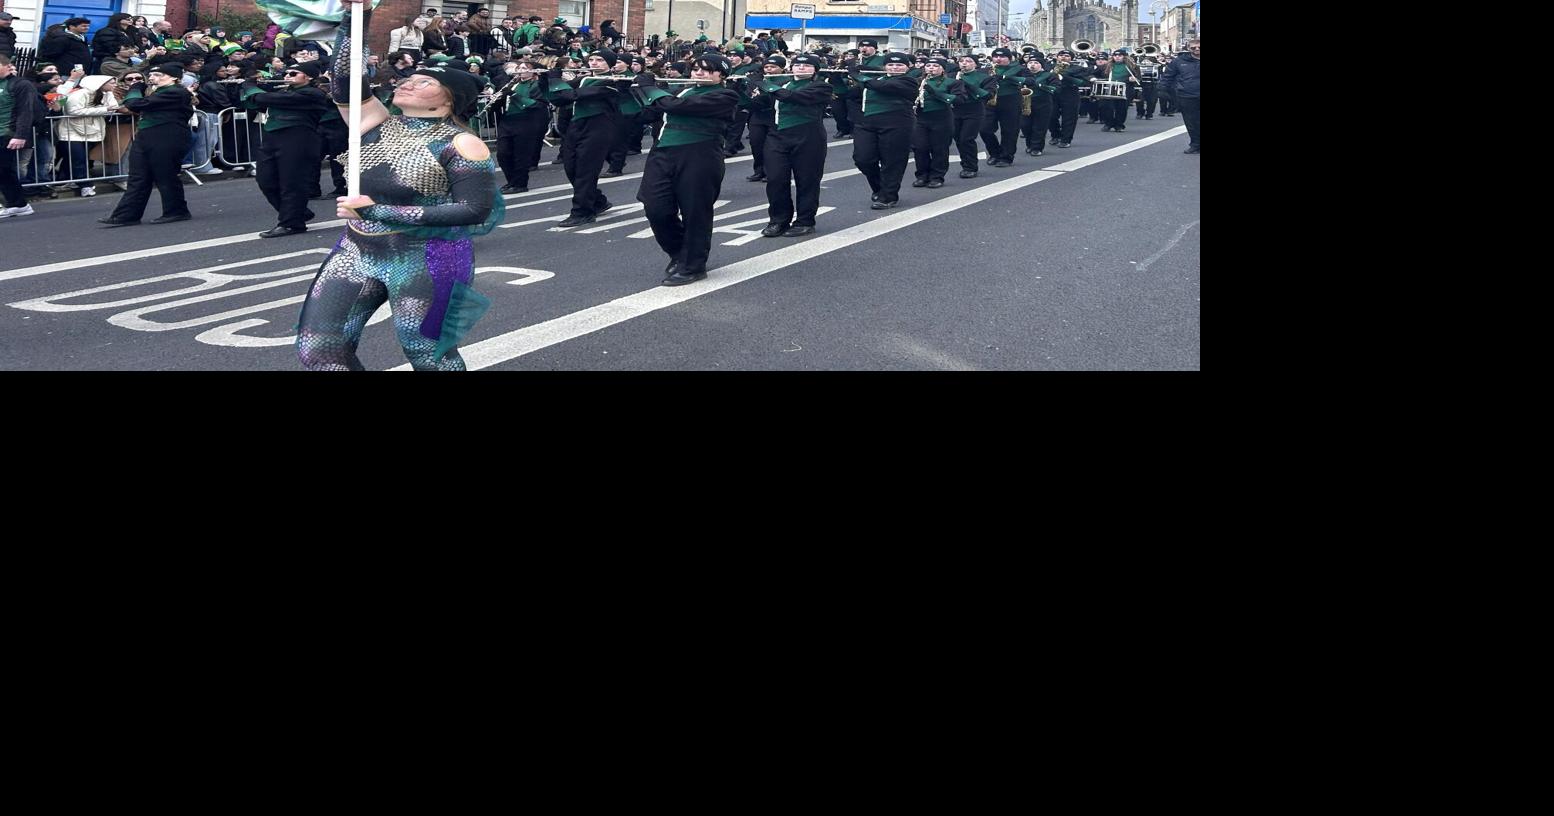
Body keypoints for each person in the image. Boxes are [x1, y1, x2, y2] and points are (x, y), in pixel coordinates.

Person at [296, 4, 504, 372]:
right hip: (356, 250)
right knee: (319, 349)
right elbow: (345, 80)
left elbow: (474, 210)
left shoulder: (462, 143)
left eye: (424, 82)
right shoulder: (374, 122)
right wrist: (356, 18)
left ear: (449, 98)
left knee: (427, 354)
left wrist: (377, 210)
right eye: (408, 77)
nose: (407, 82)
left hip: (428, 257)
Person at [629, 54, 740, 285]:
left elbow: (677, 107)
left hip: (699, 156)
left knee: (695, 211)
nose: (699, 73)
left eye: (707, 70)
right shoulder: (682, 91)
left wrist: (650, 87)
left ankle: (693, 265)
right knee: (655, 207)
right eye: (696, 68)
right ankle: (679, 253)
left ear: (721, 75)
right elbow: (645, 114)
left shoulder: (725, 96)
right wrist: (628, 90)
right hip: (662, 154)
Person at [98, 63, 194, 227]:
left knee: (165, 175)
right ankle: (126, 215)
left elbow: (134, 104)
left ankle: (176, 211)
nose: (152, 78)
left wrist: (135, 88)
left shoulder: (176, 92)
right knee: (138, 177)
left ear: (174, 78)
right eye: (151, 75)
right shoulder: (158, 92)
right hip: (147, 136)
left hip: (168, 136)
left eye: (159, 75)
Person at [249, 60, 332, 236]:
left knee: (292, 182)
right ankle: (298, 212)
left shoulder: (314, 93)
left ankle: (291, 223)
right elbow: (253, 103)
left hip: (299, 139)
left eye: (293, 73)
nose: (287, 76)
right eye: (286, 73)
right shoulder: (284, 91)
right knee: (266, 180)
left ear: (308, 77)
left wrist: (250, 88)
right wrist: (248, 88)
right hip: (273, 139)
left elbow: (265, 99)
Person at [545, 48, 627, 227]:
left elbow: (572, 95)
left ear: (610, 64)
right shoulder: (584, 79)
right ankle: (597, 201)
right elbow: (559, 99)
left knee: (585, 170)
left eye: (600, 60)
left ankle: (583, 212)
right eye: (592, 59)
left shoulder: (612, 82)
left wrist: (556, 80)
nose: (594, 63)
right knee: (571, 167)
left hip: (599, 126)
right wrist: (546, 79)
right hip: (577, 125)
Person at [757, 52, 831, 237]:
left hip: (809, 137)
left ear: (815, 70)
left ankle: (805, 221)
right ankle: (778, 220)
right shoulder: (782, 84)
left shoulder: (821, 87)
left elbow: (793, 97)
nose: (801, 68)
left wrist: (766, 85)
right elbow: (758, 105)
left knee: (807, 180)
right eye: (797, 65)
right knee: (775, 179)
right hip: (777, 137)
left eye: (807, 65)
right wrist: (742, 88)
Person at [849, 52, 918, 210]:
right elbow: (850, 95)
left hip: (897, 123)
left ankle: (888, 196)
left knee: (892, 161)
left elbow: (885, 87)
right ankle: (880, 187)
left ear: (907, 67)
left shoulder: (909, 81)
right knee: (862, 159)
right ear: (884, 66)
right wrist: (839, 77)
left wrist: (859, 76)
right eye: (890, 65)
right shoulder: (876, 79)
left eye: (899, 65)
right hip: (867, 123)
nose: (894, 67)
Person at [56, 74, 120, 196]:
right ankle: (85, 185)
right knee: (78, 158)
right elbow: (73, 111)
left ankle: (65, 179)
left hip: (92, 130)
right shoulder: (80, 94)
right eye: (112, 83)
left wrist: (109, 98)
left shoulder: (105, 94)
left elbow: (114, 107)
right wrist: (104, 109)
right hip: (72, 131)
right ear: (101, 84)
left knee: (75, 158)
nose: (115, 85)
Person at [910, 57, 967, 189]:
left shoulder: (952, 83)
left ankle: (937, 176)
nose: (931, 68)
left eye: (935, 66)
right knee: (920, 147)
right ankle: (922, 175)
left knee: (939, 149)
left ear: (942, 69)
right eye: (928, 65)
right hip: (920, 118)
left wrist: (936, 93)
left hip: (942, 117)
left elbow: (959, 100)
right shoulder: (917, 81)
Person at [0, 54, 39, 219]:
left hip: (7, 133)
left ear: (7, 66)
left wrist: (20, 135)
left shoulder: (21, 84)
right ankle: (18, 204)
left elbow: (26, 110)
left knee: (3, 169)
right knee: (4, 171)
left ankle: (18, 204)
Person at [951, 54, 994, 178]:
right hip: (954, 110)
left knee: (967, 138)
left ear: (975, 64)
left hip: (974, 110)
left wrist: (965, 83)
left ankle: (970, 167)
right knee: (958, 139)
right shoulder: (951, 76)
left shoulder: (984, 77)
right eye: (961, 61)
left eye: (968, 61)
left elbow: (987, 95)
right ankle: (965, 163)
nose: (964, 63)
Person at [1048, 49, 1091, 149]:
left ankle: (1066, 139)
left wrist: (1064, 77)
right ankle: (1055, 135)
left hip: (1069, 92)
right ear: (1057, 57)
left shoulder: (1077, 68)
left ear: (1071, 58)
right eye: (1061, 55)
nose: (1063, 57)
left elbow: (1084, 82)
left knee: (1069, 117)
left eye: (1067, 56)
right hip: (1053, 93)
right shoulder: (1049, 67)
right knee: (1051, 116)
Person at [1161, 40, 1198, 153]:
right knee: (1191, 122)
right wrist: (1162, 89)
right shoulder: (1179, 61)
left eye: (1199, 47)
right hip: (1187, 95)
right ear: (1189, 48)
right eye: (1193, 48)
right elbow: (1168, 75)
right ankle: (1195, 144)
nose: (1197, 49)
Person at [1019, 54, 1057, 156]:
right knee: (1025, 125)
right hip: (1025, 102)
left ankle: (1036, 147)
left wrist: (1040, 85)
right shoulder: (1022, 75)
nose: (1032, 65)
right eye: (1030, 63)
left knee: (1040, 126)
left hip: (1043, 103)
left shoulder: (1049, 75)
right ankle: (1029, 144)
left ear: (1041, 66)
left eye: (1036, 63)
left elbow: (1055, 88)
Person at [1098, 49, 1139, 132]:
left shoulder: (1132, 66)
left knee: (1122, 108)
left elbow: (1138, 78)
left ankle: (1119, 125)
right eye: (1115, 55)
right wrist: (1092, 78)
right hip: (1110, 88)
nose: (1117, 57)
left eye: (1120, 56)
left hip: (1125, 88)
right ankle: (1108, 123)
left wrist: (1133, 79)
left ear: (1124, 57)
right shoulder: (1107, 66)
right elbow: (1094, 73)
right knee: (1106, 107)